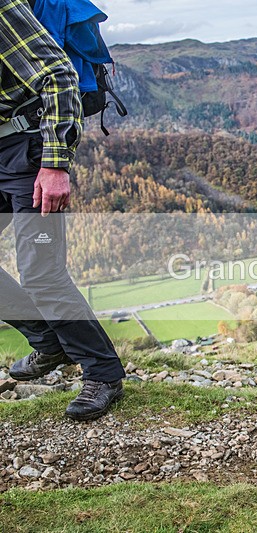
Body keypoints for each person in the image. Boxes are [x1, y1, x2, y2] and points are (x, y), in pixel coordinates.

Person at [1, 0, 125, 420]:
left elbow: (58, 73)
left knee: (40, 271)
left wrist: (54, 163)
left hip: (30, 147)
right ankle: (47, 340)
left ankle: (103, 373)